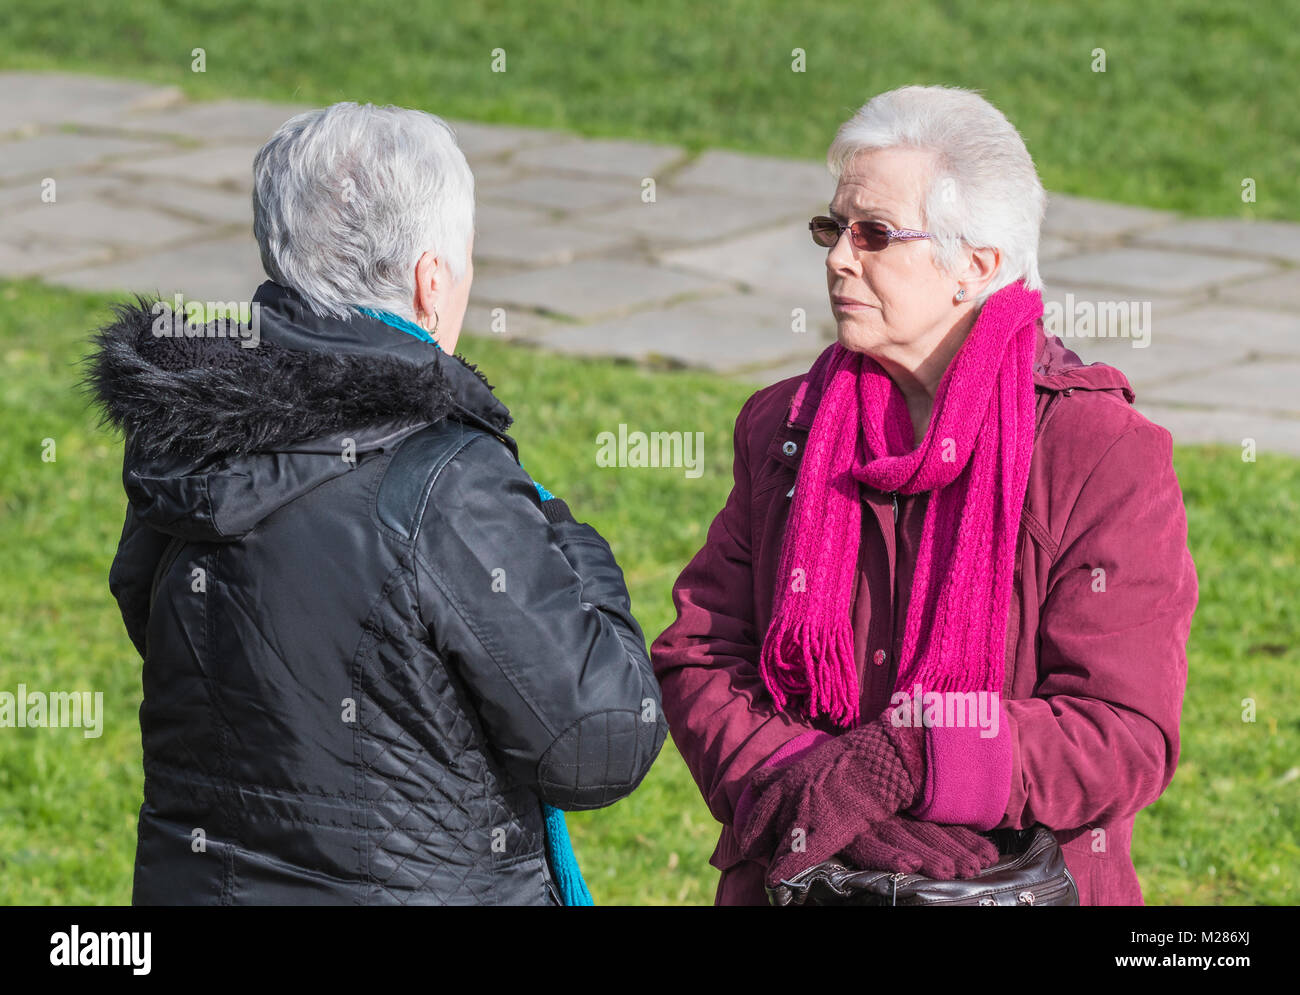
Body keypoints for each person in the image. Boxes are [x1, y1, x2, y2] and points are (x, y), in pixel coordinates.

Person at [86, 101, 666, 905]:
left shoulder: (187, 431)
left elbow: (161, 621)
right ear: (432, 279)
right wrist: (573, 545)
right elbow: (598, 738)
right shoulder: (447, 478)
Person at [651, 85, 1198, 906]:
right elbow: (701, 656)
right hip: (802, 885)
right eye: (831, 229)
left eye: (873, 235)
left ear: (975, 266)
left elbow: (1122, 732)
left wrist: (915, 757)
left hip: (1002, 888)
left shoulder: (1102, 454)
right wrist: (815, 795)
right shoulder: (781, 429)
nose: (838, 257)